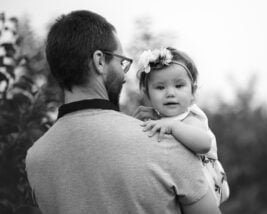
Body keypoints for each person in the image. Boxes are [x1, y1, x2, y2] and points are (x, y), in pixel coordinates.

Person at [25, 10, 221, 214]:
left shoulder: (35, 158)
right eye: (121, 62)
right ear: (99, 61)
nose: (125, 75)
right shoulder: (166, 141)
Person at [132, 47, 229, 206]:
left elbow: (204, 144)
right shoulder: (164, 119)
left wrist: (172, 125)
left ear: (193, 92)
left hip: (204, 189)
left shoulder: (190, 118)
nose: (170, 93)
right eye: (160, 87)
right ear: (147, 94)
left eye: (179, 86)